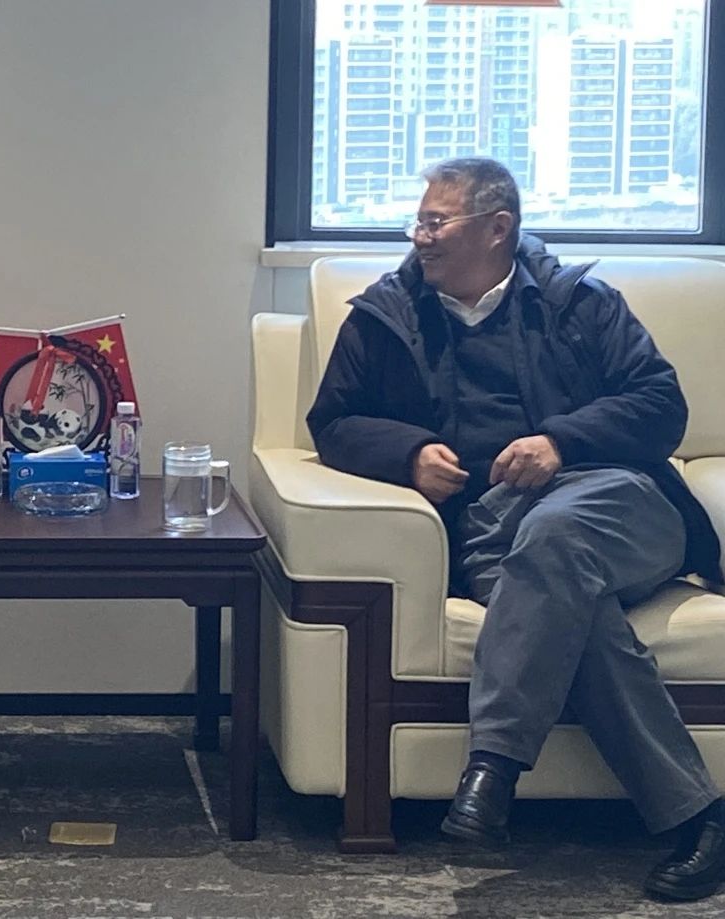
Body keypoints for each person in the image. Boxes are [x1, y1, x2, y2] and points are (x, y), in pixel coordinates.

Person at [307, 157, 725, 902]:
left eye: (436, 222)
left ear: (497, 228)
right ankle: (701, 818)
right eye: (418, 222)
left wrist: (562, 441)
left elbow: (661, 405)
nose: (419, 237)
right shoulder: (386, 315)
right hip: (493, 530)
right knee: (573, 607)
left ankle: (492, 766)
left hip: (618, 501)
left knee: (558, 535)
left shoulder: (580, 303)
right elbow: (332, 421)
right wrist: (406, 453)